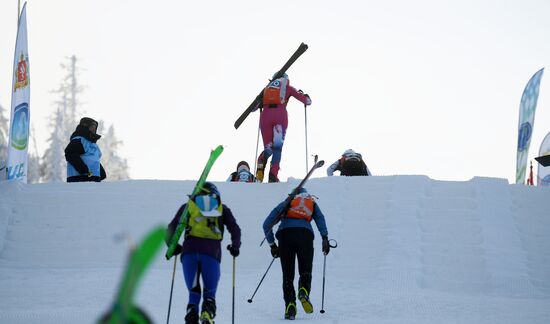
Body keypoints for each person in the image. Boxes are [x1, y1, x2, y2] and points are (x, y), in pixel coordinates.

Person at [166, 182, 241, 324]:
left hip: (189, 253)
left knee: (193, 291)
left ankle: (191, 314)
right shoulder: (222, 209)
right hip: (211, 254)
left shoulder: (188, 207)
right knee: (209, 291)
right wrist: (235, 246)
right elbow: (235, 229)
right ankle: (207, 313)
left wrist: (173, 246)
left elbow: (171, 228)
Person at [262, 187, 330, 320]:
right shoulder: (312, 204)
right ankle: (303, 290)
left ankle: (290, 305)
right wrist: (325, 238)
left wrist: (272, 245)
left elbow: (266, 224)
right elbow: (320, 219)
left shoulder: (287, 203)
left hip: (285, 235)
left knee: (288, 274)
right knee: (305, 269)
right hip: (305, 235)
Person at [254, 73, 312, 183]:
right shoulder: (287, 87)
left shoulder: (266, 89)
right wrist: (306, 97)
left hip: (265, 115)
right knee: (277, 147)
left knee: (269, 147)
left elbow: (253, 108)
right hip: (280, 115)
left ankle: (262, 159)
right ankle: (273, 175)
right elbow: (307, 101)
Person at [65, 117, 107, 182]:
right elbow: (70, 153)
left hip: (92, 178)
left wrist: (101, 172)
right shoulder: (79, 140)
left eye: (95, 127)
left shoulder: (92, 144)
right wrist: (82, 169)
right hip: (79, 178)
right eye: (92, 127)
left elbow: (93, 159)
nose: (94, 129)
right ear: (85, 126)